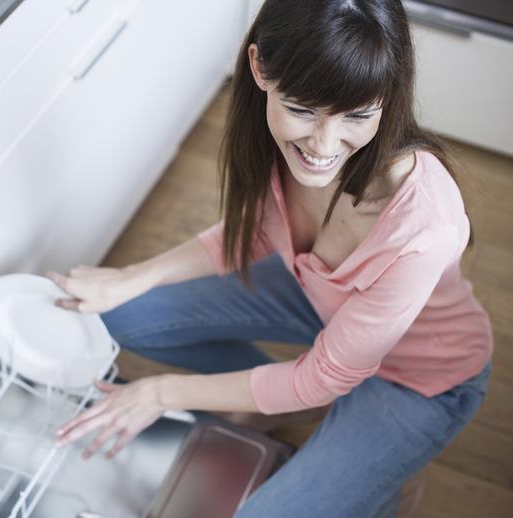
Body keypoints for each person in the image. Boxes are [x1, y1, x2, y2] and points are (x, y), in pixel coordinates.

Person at [47, 0, 493, 516]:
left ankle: (382, 483)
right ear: (259, 68)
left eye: (357, 115)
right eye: (303, 110)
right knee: (120, 313)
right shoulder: (270, 134)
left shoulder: (424, 224)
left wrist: (160, 394)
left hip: (421, 376)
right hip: (318, 297)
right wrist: (129, 278)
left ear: (386, 95)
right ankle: (279, 403)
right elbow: (259, 229)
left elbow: (324, 374)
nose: (325, 146)